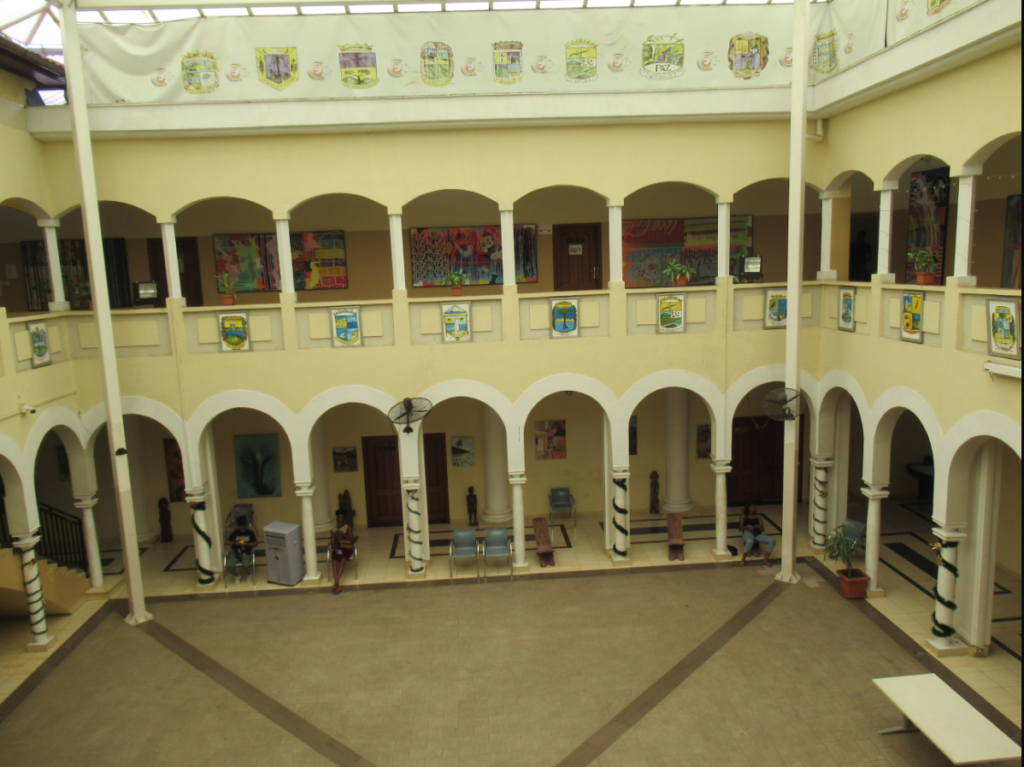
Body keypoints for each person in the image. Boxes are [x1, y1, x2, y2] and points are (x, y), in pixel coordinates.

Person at [226, 515, 258, 585]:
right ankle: (237, 576)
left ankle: (249, 574)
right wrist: (235, 543)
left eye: (243, 528)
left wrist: (246, 544)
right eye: (240, 529)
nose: (241, 530)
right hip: (236, 552)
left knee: (246, 564)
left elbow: (256, 543)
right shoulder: (235, 533)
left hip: (247, 552)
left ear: (245, 526)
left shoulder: (250, 533)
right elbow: (228, 541)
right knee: (228, 565)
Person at [329, 510, 355, 594]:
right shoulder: (333, 530)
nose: (340, 523)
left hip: (346, 548)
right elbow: (332, 543)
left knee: (343, 561)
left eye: (342, 522)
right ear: (337, 520)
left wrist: (343, 535)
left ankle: (336, 584)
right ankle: (337, 585)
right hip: (338, 549)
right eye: (339, 521)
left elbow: (352, 539)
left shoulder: (347, 528)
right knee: (334, 563)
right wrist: (335, 549)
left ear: (344, 521)